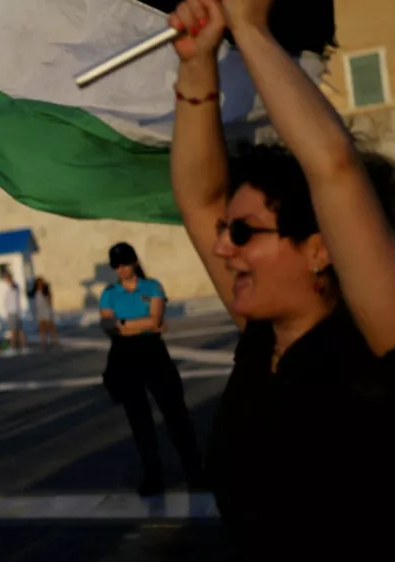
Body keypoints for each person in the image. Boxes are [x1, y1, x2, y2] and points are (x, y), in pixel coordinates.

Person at [169, 1, 395, 559]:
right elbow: (199, 202)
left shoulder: (376, 344)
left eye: (244, 233)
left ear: (320, 248)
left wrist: (250, 29)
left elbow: (334, 170)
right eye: (229, 232)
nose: (222, 248)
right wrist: (197, 63)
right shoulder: (262, 341)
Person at [99, 243, 203, 496]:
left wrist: (125, 324)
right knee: (139, 420)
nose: (121, 269)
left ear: (134, 261)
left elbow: (156, 320)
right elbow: (108, 326)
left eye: (125, 263)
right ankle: (153, 474)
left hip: (154, 353)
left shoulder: (152, 286)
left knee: (175, 413)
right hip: (125, 356)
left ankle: (195, 471)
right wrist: (142, 324)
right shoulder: (109, 293)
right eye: (116, 265)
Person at [30, 277, 57, 351]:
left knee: (51, 327)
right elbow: (35, 303)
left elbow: (50, 301)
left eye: (41, 283)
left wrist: (50, 310)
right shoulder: (35, 292)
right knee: (42, 329)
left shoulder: (46, 292)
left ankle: (54, 342)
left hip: (46, 310)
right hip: (39, 311)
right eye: (38, 283)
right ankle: (43, 343)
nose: (40, 285)